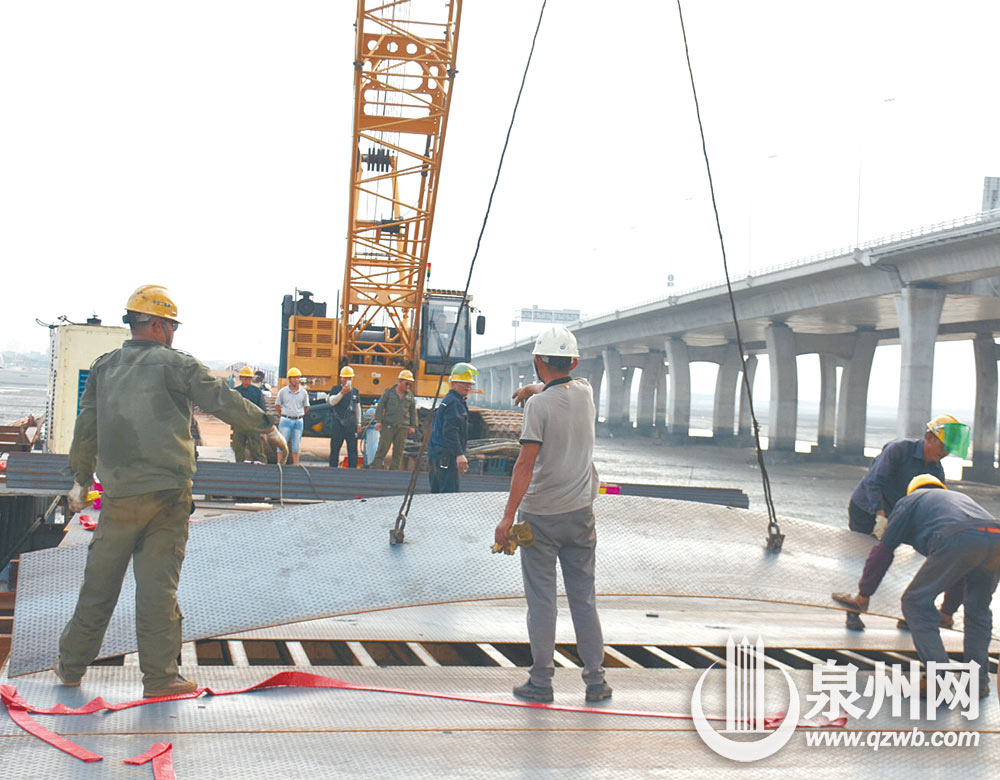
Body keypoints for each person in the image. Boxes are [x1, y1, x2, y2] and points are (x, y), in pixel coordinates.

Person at [55, 285, 287, 698]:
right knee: (158, 588)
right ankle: (161, 679)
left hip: (120, 497)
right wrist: (266, 426)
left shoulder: (104, 368)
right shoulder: (176, 365)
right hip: (166, 496)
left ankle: (71, 666)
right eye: (172, 327)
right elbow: (220, 398)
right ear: (160, 326)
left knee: (99, 584)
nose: (173, 334)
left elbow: (86, 427)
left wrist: (80, 478)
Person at [495, 325, 611, 704]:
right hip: (581, 515)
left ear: (536, 362)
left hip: (540, 517)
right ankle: (596, 681)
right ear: (575, 362)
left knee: (542, 600)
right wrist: (535, 388)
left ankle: (541, 682)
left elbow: (525, 465)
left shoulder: (538, 406)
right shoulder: (587, 393)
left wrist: (506, 518)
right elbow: (561, 388)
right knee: (584, 598)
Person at [832, 474, 1000, 698]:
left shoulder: (911, 501)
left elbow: (883, 551)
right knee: (978, 610)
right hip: (995, 535)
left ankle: (938, 679)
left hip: (958, 537)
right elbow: (961, 569)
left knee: (914, 601)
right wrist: (947, 612)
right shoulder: (956, 500)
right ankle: (978, 683)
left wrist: (864, 594)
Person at [848, 415, 968, 538]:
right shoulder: (898, 450)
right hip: (866, 509)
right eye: (944, 447)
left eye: (949, 449)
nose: (945, 453)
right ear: (929, 438)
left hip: (893, 514)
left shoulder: (936, 470)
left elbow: (938, 500)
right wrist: (880, 514)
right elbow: (873, 482)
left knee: (885, 551)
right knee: (863, 549)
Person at [427, 362, 477, 492]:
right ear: (453, 383)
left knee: (437, 495)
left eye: (470, 383)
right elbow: (450, 430)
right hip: (446, 458)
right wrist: (459, 454)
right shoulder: (454, 403)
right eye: (464, 383)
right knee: (448, 497)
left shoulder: (449, 400)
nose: (468, 386)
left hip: (437, 455)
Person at [371, 369, 417, 470]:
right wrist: (378, 421)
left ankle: (394, 472)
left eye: (410, 384)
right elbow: (380, 406)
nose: (408, 386)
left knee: (398, 451)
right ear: (400, 381)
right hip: (388, 425)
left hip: (402, 427)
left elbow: (413, 411)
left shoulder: (410, 396)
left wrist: (413, 426)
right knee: (382, 449)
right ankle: (375, 469)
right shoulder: (389, 392)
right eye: (406, 383)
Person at [327, 366, 362, 468]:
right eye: (345, 378)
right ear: (341, 378)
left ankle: (352, 470)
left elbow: (357, 407)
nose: (348, 380)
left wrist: (359, 423)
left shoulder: (355, 391)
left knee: (352, 449)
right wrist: (342, 393)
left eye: (350, 378)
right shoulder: (335, 389)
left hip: (351, 425)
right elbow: (332, 402)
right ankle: (333, 469)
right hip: (338, 424)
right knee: (335, 448)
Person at [232, 366, 266, 462]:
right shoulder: (235, 392)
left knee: (257, 450)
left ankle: (262, 468)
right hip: (239, 425)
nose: (247, 380)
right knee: (238, 450)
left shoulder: (257, 392)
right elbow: (231, 408)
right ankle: (239, 469)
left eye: (249, 378)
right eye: (245, 378)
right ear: (241, 378)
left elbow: (262, 409)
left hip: (253, 425)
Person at [276, 367, 310, 466]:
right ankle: (280, 464)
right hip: (285, 420)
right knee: (282, 443)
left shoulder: (303, 393)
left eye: (298, 378)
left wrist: (299, 414)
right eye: (294, 378)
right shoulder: (283, 392)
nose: (296, 380)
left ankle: (296, 464)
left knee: (296, 445)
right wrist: (283, 415)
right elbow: (277, 405)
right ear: (290, 379)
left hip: (298, 421)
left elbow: (306, 407)